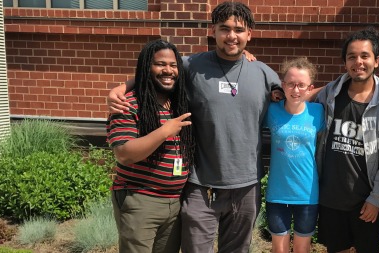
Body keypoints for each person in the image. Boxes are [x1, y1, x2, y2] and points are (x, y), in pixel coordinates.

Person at [107, 2, 283, 252]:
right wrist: (121, 88)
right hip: (200, 185)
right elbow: (157, 69)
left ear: (249, 34)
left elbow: (296, 96)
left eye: (239, 30)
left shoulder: (265, 74)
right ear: (213, 31)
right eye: (224, 29)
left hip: (246, 186)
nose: (231, 36)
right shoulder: (191, 65)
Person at [315, 26, 379, 253]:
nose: (358, 62)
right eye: (352, 57)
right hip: (331, 198)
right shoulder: (330, 93)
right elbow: (298, 94)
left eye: (365, 56)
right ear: (345, 62)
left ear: (377, 60)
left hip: (366, 201)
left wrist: (376, 198)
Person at [106, 39, 195, 253]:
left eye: (173, 65)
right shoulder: (128, 104)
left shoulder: (179, 102)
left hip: (174, 203)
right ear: (147, 67)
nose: (168, 70)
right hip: (140, 199)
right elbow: (124, 154)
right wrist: (165, 131)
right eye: (160, 64)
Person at [263, 57, 324, 253]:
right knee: (279, 250)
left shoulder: (318, 112)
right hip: (277, 192)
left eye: (301, 85)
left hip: (307, 193)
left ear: (309, 88)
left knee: (301, 250)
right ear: (283, 85)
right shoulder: (271, 110)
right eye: (290, 84)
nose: (295, 90)